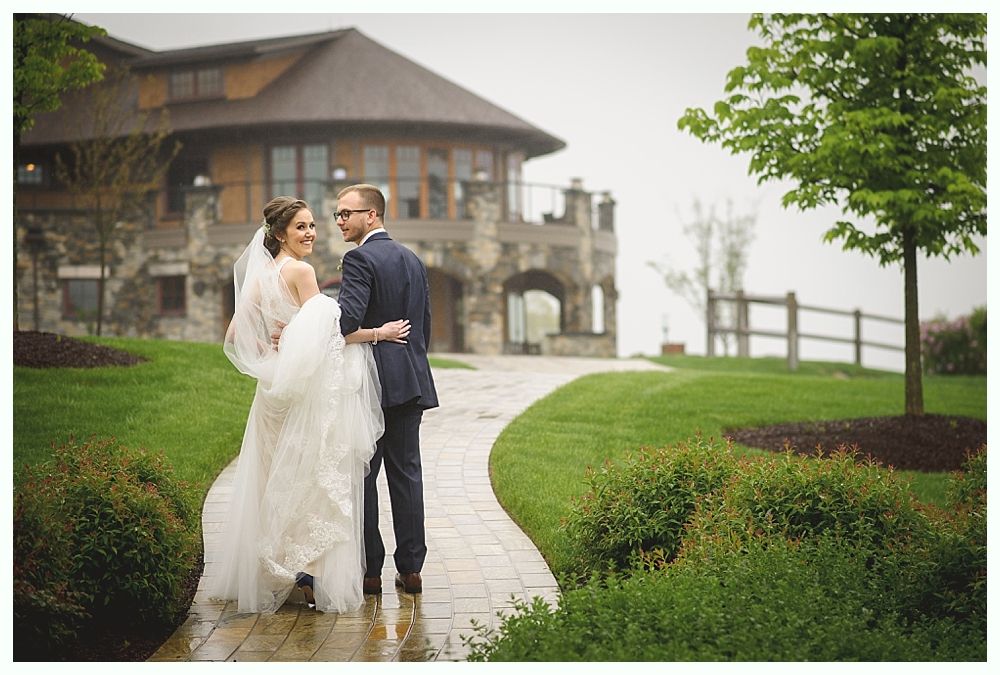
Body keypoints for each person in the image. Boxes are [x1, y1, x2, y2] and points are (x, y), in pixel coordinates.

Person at [209, 196, 410, 614]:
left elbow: (232, 334)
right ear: (280, 233)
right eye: (302, 227)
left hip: (271, 395)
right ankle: (305, 574)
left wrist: (269, 355)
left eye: (313, 225)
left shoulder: (261, 277)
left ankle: (276, 570)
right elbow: (332, 335)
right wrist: (379, 333)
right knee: (306, 480)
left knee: (273, 481)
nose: (312, 233)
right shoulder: (301, 271)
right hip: (301, 398)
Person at [335, 184, 439, 595]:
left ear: (372, 215)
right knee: (407, 474)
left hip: (370, 383)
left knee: (363, 473)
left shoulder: (359, 258)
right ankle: (412, 569)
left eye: (347, 213)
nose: (341, 221)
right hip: (410, 381)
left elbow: (346, 322)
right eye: (338, 215)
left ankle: (370, 571)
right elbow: (424, 326)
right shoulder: (412, 259)